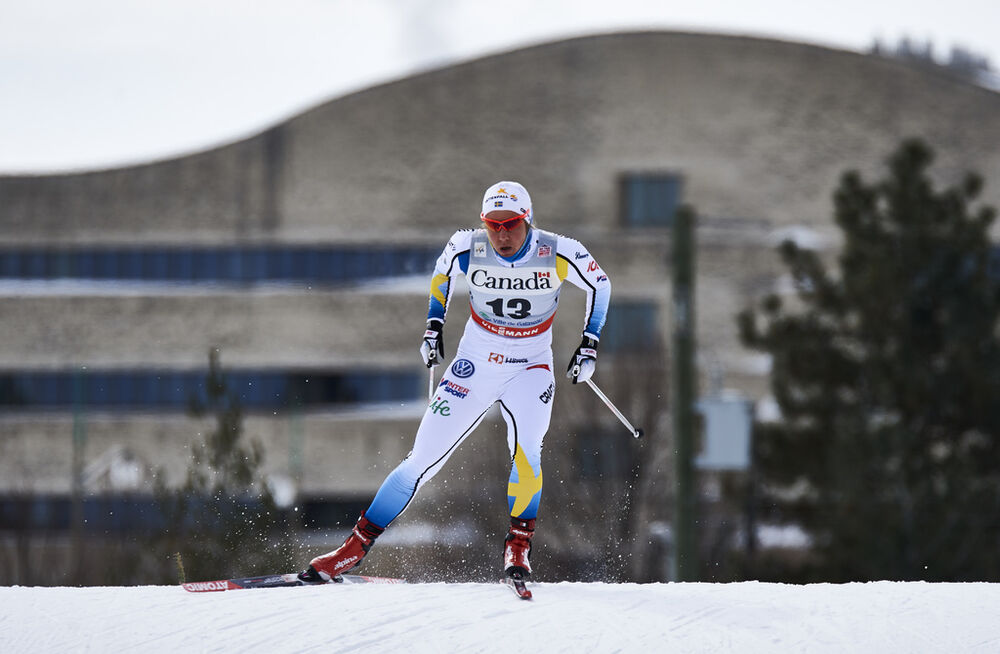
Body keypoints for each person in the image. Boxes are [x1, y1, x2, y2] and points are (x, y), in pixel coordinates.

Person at [298, 181, 611, 584]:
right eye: (492, 224)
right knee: (419, 461)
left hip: (529, 368)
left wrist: (589, 344)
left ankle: (518, 547)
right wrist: (433, 326)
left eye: (511, 225)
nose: (501, 234)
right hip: (475, 366)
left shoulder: (558, 251)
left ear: (528, 220)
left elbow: (600, 284)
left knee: (529, 452)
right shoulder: (469, 246)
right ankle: (351, 550)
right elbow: (441, 273)